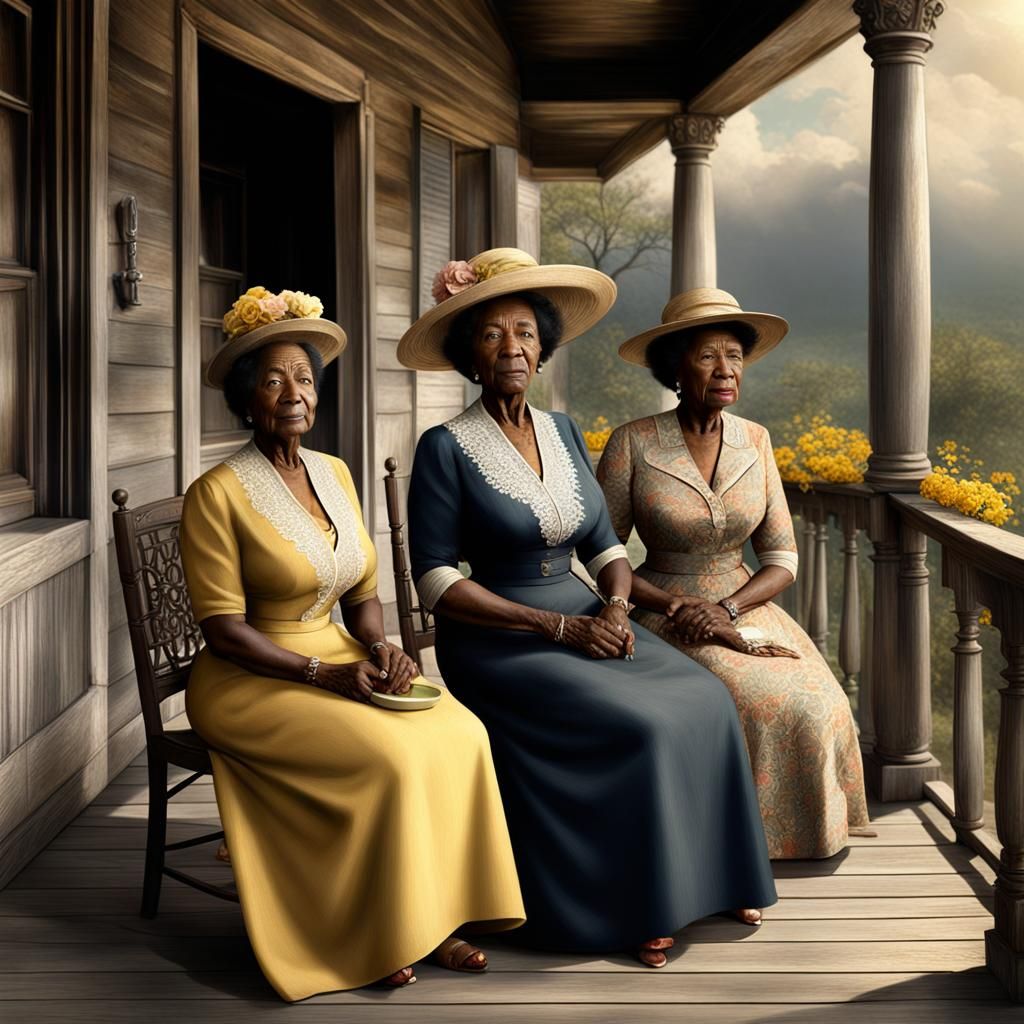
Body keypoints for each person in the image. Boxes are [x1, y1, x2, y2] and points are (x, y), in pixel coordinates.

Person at [399, 250, 777, 969]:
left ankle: (717, 880)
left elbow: (605, 545)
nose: (511, 347)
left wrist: (615, 606)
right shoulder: (444, 447)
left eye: (525, 332)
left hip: (586, 615)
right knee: (640, 725)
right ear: (469, 355)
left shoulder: (564, 431)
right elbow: (436, 580)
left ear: (543, 346)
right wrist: (557, 626)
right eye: (491, 335)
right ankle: (643, 905)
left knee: (706, 696)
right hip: (498, 637)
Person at [180, 287, 524, 1000]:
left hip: (336, 655)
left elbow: (363, 595)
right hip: (247, 678)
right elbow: (223, 631)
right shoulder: (215, 493)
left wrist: (380, 647)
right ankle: (378, 930)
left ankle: (440, 917)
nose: (293, 394)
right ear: (246, 399)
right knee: (389, 758)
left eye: (304, 379)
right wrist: (323, 674)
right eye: (273, 381)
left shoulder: (334, 472)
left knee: (461, 733)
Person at [597, 287, 871, 859]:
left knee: (820, 700)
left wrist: (727, 608)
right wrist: (674, 606)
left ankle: (808, 836)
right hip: (665, 610)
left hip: (743, 604)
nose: (726, 370)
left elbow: (783, 559)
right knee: (760, 700)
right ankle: (740, 848)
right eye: (707, 356)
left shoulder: (756, 440)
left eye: (736, 356)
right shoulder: (633, 442)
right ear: (675, 367)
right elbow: (603, 553)